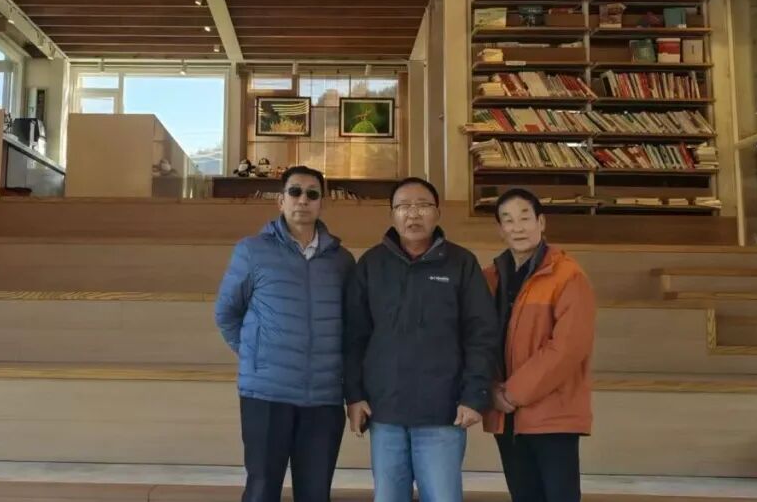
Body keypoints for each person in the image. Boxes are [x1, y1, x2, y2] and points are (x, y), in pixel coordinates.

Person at [344, 177, 497, 502]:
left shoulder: (461, 263)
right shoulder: (371, 264)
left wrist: (474, 396)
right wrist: (354, 396)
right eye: (403, 206)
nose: (413, 214)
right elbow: (354, 336)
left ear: (438, 213)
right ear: (392, 215)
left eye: (423, 205)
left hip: (443, 413)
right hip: (385, 412)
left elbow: (481, 334)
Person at [215, 165, 355, 502]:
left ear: (322, 203)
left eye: (312, 194)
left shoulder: (342, 261)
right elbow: (226, 313)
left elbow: (352, 326)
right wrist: (255, 355)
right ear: (280, 200)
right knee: (262, 489)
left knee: (315, 492)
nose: (302, 200)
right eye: (294, 192)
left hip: (323, 396)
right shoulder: (252, 250)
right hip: (266, 394)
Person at [482, 188, 596, 502]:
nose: (517, 227)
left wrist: (511, 393)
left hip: (552, 415)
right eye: (508, 220)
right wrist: (490, 389)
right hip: (506, 418)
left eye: (525, 218)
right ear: (500, 229)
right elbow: (478, 341)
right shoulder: (489, 278)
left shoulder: (568, 276)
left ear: (541, 222)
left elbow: (568, 348)